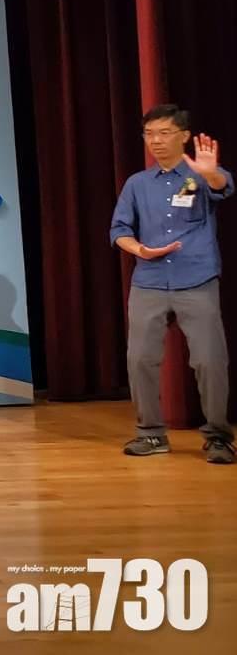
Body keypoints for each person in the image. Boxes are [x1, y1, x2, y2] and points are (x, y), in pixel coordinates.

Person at [110, 104, 234, 464]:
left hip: (196, 278)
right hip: (148, 281)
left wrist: (210, 174)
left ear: (184, 136)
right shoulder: (137, 183)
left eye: (164, 133)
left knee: (209, 360)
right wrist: (140, 249)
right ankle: (150, 434)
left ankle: (218, 437)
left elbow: (223, 186)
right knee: (140, 359)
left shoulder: (201, 174)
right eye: (149, 134)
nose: (156, 141)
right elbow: (119, 230)